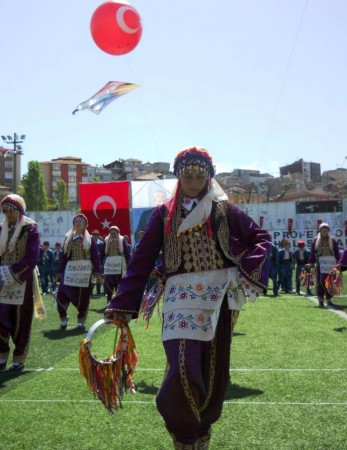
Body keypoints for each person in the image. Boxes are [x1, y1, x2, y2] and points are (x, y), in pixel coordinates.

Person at [105, 146, 271, 449]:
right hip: (180, 297)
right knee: (182, 365)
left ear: (208, 175)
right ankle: (184, 434)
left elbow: (260, 238)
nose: (193, 179)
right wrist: (122, 303)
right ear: (178, 175)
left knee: (212, 369)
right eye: (187, 173)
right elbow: (142, 258)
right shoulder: (163, 212)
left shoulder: (223, 209)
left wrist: (243, 271)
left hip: (218, 298)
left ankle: (201, 433)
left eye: (199, 173)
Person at [0, 194, 40, 371]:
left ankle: (19, 355)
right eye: (5, 210)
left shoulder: (30, 228)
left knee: (21, 319)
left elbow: (33, 256)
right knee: (0, 317)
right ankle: (1, 353)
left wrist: (12, 270)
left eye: (11, 210)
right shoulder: (1, 229)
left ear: (20, 210)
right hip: (1, 278)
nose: (8, 214)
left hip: (22, 278)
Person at [55, 214, 103, 330]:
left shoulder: (89, 239)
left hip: (84, 273)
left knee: (83, 297)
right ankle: (63, 318)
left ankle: (80, 321)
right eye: (76, 221)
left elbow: (95, 256)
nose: (78, 223)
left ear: (85, 225)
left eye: (80, 221)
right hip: (69, 272)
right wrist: (60, 272)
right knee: (61, 295)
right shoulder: (68, 238)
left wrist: (97, 272)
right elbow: (64, 257)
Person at [307, 223, 340, 308]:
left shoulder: (332, 240)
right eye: (323, 230)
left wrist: (339, 263)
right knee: (320, 282)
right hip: (320, 263)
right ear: (320, 231)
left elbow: (336, 252)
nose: (325, 232)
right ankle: (321, 300)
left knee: (330, 282)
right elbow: (312, 253)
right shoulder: (315, 240)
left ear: (328, 231)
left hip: (331, 263)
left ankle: (329, 300)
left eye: (326, 230)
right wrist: (311, 262)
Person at [103, 226, 131, 302]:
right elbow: (102, 253)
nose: (113, 232)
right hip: (109, 264)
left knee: (119, 283)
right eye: (111, 231)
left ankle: (118, 301)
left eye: (114, 231)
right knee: (109, 282)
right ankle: (109, 301)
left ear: (118, 232)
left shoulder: (121, 240)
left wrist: (129, 264)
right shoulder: (106, 240)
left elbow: (126, 253)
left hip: (119, 264)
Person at [90, 230, 105, 297]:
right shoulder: (89, 243)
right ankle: (91, 292)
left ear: (98, 236)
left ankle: (99, 292)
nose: (95, 236)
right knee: (91, 278)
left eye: (96, 235)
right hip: (91, 263)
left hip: (99, 262)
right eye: (94, 235)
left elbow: (103, 253)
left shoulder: (101, 243)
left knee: (99, 277)